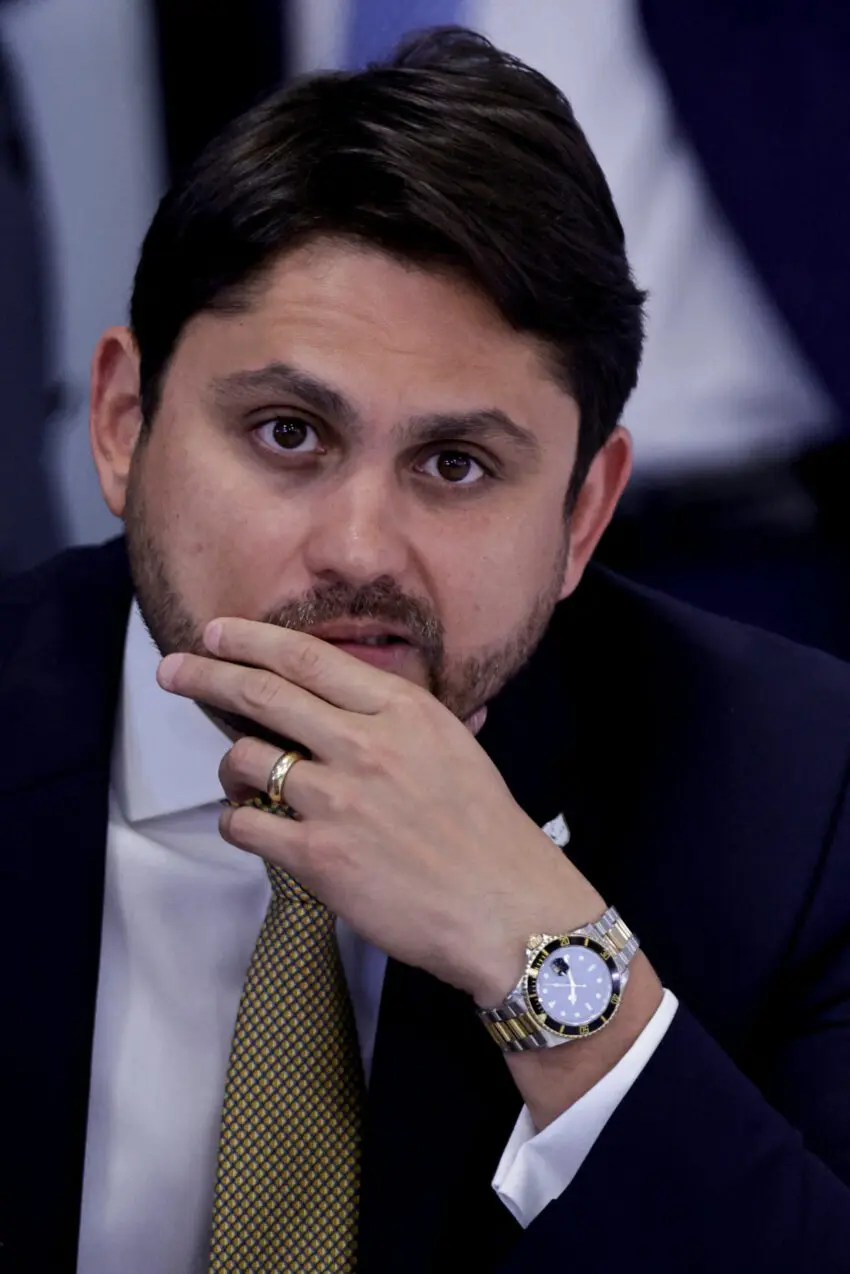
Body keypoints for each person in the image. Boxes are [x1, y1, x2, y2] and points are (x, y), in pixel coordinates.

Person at [1, 26, 849, 1274]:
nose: (360, 549)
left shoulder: (791, 786)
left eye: (456, 466)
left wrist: (545, 958)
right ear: (125, 424)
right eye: (287, 432)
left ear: (581, 515)